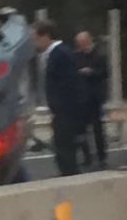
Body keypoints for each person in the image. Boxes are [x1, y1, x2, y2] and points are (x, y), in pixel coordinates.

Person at [30, 20, 87, 177]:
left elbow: (73, 85)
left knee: (65, 149)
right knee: (62, 148)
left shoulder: (61, 54)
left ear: (46, 35)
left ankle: (70, 177)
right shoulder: (54, 54)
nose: (33, 42)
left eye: (35, 37)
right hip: (61, 110)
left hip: (67, 111)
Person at [74, 31, 110, 168]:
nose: (81, 45)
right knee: (81, 129)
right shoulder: (77, 56)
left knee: (97, 128)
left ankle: (101, 156)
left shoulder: (99, 55)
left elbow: (105, 72)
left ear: (88, 40)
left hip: (95, 96)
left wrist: (91, 72)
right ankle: (87, 156)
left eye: (83, 42)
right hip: (81, 96)